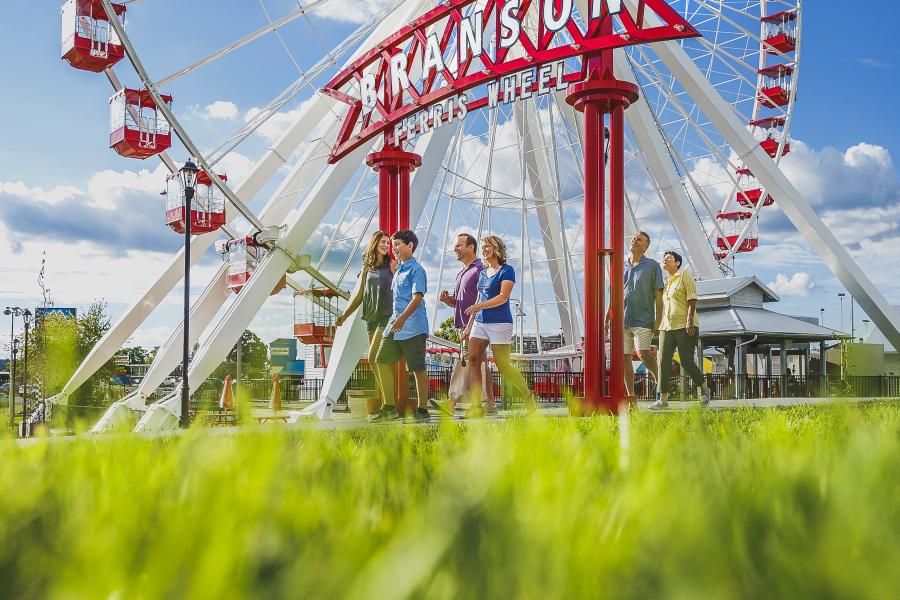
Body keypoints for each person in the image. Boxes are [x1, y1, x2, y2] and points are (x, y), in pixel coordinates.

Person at [462, 236, 534, 417]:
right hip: (480, 322)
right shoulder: (483, 273)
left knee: (503, 366)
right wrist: (469, 325)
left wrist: (479, 306)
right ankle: (476, 407)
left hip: (500, 323)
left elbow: (503, 297)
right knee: (473, 360)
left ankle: (528, 396)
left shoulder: (507, 271)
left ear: (497, 249)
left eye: (488, 247)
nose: (484, 250)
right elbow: (479, 297)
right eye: (483, 247)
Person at [370, 230, 431, 423]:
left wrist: (403, 318)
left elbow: (417, 297)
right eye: (393, 245)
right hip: (394, 324)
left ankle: (422, 410)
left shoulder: (416, 270)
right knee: (380, 360)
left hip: (413, 325)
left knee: (417, 368)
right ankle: (389, 407)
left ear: (410, 245)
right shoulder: (399, 271)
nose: (393, 248)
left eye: (397, 244)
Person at [335, 231, 396, 410]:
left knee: (375, 357)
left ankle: (389, 405)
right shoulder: (367, 268)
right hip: (371, 317)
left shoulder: (392, 265)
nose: (386, 245)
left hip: (387, 315)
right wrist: (344, 316)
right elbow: (360, 295)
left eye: (388, 243)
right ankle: (387, 401)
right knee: (373, 361)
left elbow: (401, 288)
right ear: (375, 243)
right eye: (383, 242)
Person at [607, 231, 665, 400]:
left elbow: (659, 295)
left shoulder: (652, 266)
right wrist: (607, 318)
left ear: (645, 246)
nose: (635, 240)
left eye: (639, 239)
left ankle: (659, 380)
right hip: (623, 319)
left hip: (643, 317)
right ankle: (631, 396)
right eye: (634, 238)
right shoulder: (620, 266)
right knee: (624, 357)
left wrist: (659, 319)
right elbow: (614, 295)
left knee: (643, 353)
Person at [438, 232, 490, 411]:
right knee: (479, 364)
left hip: (477, 325)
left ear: (471, 247)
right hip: (465, 325)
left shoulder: (480, 269)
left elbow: (482, 300)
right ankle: (488, 403)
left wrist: (470, 326)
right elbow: (460, 303)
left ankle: (452, 402)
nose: (455, 248)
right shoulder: (461, 273)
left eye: (459, 245)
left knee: (467, 361)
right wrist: (448, 301)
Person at [652, 250, 711, 409]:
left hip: (684, 325)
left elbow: (692, 298)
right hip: (667, 326)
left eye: (668, 258)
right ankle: (663, 399)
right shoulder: (667, 283)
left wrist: (689, 320)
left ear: (677, 262)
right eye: (664, 258)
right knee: (662, 362)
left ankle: (704, 389)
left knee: (686, 360)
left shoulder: (684, 275)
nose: (665, 260)